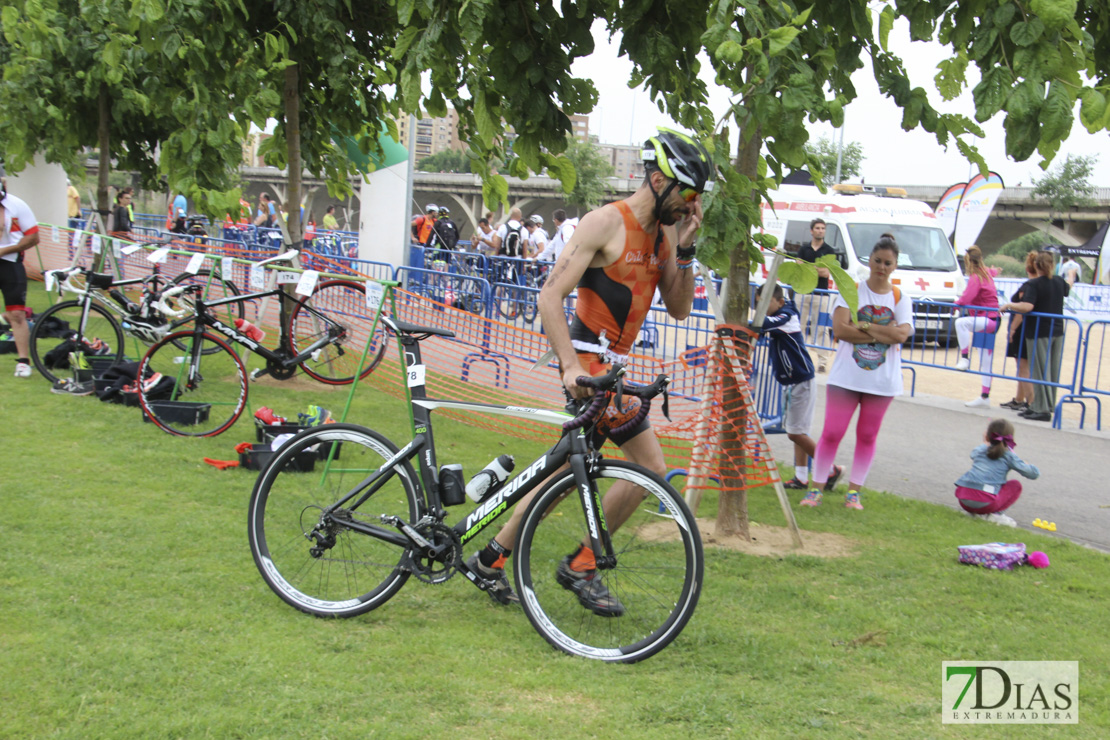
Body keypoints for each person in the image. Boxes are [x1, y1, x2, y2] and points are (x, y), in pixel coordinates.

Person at [466, 127, 713, 614]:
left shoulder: (665, 233)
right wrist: (570, 366)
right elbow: (549, 296)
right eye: (687, 194)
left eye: (697, 198)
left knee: (560, 473)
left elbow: (681, 308)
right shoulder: (605, 223)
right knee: (651, 469)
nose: (691, 205)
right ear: (660, 179)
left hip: (615, 368)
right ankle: (582, 563)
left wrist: (685, 248)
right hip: (590, 363)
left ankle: (490, 558)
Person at [803, 233, 914, 510]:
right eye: (878, 261)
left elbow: (902, 336)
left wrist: (863, 326)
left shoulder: (901, 298)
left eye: (888, 263)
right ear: (870, 260)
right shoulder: (851, 290)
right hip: (846, 377)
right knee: (832, 432)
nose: (882, 267)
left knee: (867, 435)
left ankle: (854, 493)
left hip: (882, 382)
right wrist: (883, 334)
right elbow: (840, 330)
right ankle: (815, 489)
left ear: (895, 265)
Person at [754, 282, 844, 492]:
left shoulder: (786, 317)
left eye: (766, 303)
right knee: (798, 430)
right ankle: (801, 477)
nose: (762, 308)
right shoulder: (779, 316)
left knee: (795, 433)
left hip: (801, 380)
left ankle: (832, 470)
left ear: (780, 302)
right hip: (791, 381)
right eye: (759, 304)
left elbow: (762, 323)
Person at [1001, 251, 1069, 423]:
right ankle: (1045, 405)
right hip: (1057, 330)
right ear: (1052, 265)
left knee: (1039, 369)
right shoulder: (1059, 282)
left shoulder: (1034, 284)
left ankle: (1041, 408)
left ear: (1037, 266)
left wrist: (1009, 305)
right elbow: (1068, 288)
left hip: (1039, 332)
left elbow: (1027, 306)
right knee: (1051, 370)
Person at [954, 418, 1039, 527]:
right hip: (985, 504)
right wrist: (1025, 464)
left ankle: (972, 513)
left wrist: (985, 443)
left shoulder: (980, 450)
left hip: (963, 500)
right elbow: (1034, 474)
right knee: (1015, 485)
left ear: (987, 436)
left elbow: (973, 454)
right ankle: (996, 515)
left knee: (980, 478)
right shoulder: (1009, 456)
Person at [952, 245, 1001, 408]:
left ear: (968, 262)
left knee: (960, 323)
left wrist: (956, 305)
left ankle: (965, 358)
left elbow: (967, 297)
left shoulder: (976, 277)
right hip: (989, 320)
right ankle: (985, 396)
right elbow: (991, 273)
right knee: (986, 361)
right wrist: (995, 271)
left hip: (987, 319)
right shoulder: (986, 272)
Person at [0, 185, 40, 378]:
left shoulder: (16, 205)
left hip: (10, 263)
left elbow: (33, 237)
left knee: (16, 314)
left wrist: (4, 250)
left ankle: (24, 362)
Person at [999, 252, 1039, 413]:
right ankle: (1019, 399)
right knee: (1023, 366)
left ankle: (1030, 401)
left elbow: (1021, 309)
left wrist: (1013, 329)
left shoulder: (1029, 286)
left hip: (1021, 330)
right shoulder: (1035, 284)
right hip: (1028, 329)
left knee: (1022, 367)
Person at [795, 217, 836, 372]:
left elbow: (826, 273)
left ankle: (823, 362)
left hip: (821, 294)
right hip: (803, 292)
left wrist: (807, 267)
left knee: (821, 328)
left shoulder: (829, 251)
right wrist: (815, 269)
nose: (820, 231)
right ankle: (798, 357)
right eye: (818, 228)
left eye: (823, 228)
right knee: (799, 325)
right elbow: (798, 269)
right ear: (812, 231)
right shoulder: (803, 249)